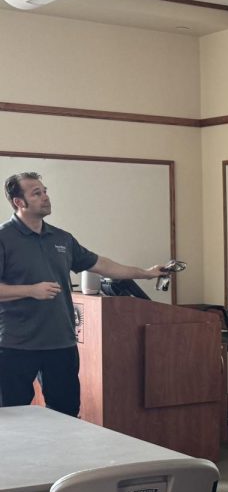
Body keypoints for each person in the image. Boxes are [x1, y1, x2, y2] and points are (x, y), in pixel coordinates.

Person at [0, 172, 165, 416]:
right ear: (19, 202)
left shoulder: (62, 238)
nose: (46, 197)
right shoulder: (4, 237)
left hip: (61, 343)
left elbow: (102, 264)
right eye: (37, 193)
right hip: (16, 345)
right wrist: (31, 291)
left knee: (66, 413)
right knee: (12, 416)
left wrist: (147, 273)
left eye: (45, 190)